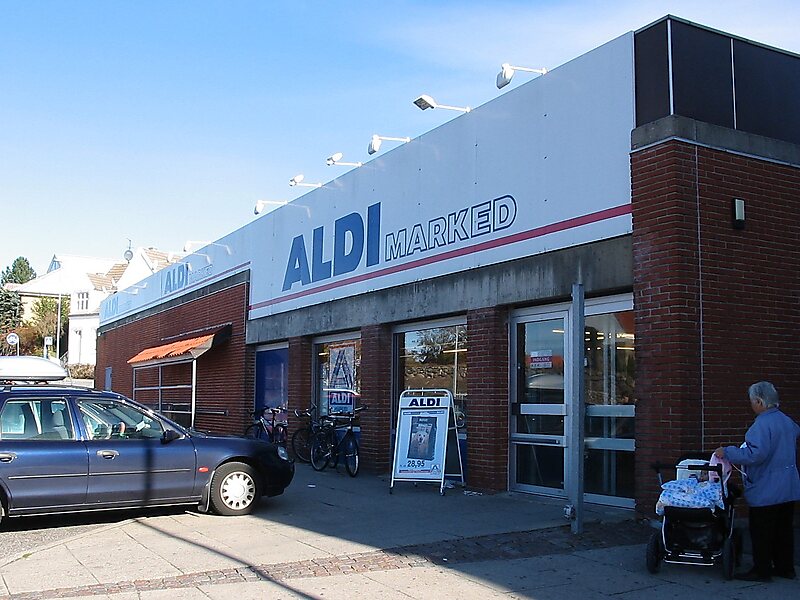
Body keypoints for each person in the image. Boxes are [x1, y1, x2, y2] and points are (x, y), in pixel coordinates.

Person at [714, 381, 800, 582]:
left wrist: (727, 452)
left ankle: (762, 570)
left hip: (766, 488)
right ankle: (785, 567)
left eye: (752, 401)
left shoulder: (761, 425)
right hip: (788, 486)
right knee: (783, 530)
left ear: (760, 401)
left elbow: (755, 455)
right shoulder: (787, 421)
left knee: (761, 532)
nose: (751, 404)